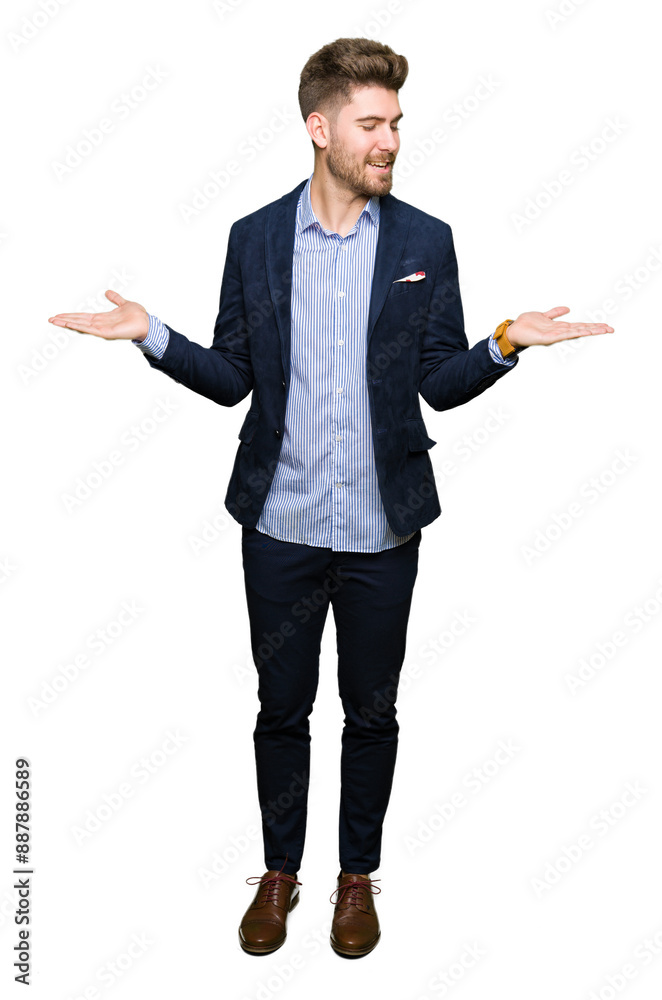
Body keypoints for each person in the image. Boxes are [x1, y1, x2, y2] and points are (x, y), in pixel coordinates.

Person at [48, 37, 614, 959]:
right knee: (281, 709)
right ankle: (280, 873)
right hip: (279, 526)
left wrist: (506, 343)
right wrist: (153, 335)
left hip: (385, 529)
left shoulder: (425, 240)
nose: (390, 140)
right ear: (320, 128)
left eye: (396, 123)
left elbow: (439, 383)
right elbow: (232, 379)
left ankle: (356, 877)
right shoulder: (256, 239)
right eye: (371, 123)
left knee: (372, 713)